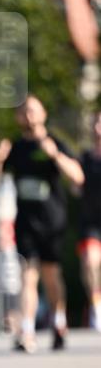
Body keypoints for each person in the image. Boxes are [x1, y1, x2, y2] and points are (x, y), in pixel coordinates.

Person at [0, 95, 84, 352]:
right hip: (26, 222)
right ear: (18, 117)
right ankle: (27, 332)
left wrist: (55, 156)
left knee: (51, 276)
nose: (28, 115)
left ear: (43, 114)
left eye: (32, 110)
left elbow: (77, 176)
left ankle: (58, 323)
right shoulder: (16, 147)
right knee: (27, 275)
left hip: (53, 222)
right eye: (23, 111)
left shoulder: (54, 143)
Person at [77, 110, 101, 331]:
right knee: (90, 263)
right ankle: (96, 306)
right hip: (91, 223)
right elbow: (76, 186)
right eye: (96, 123)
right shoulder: (85, 157)